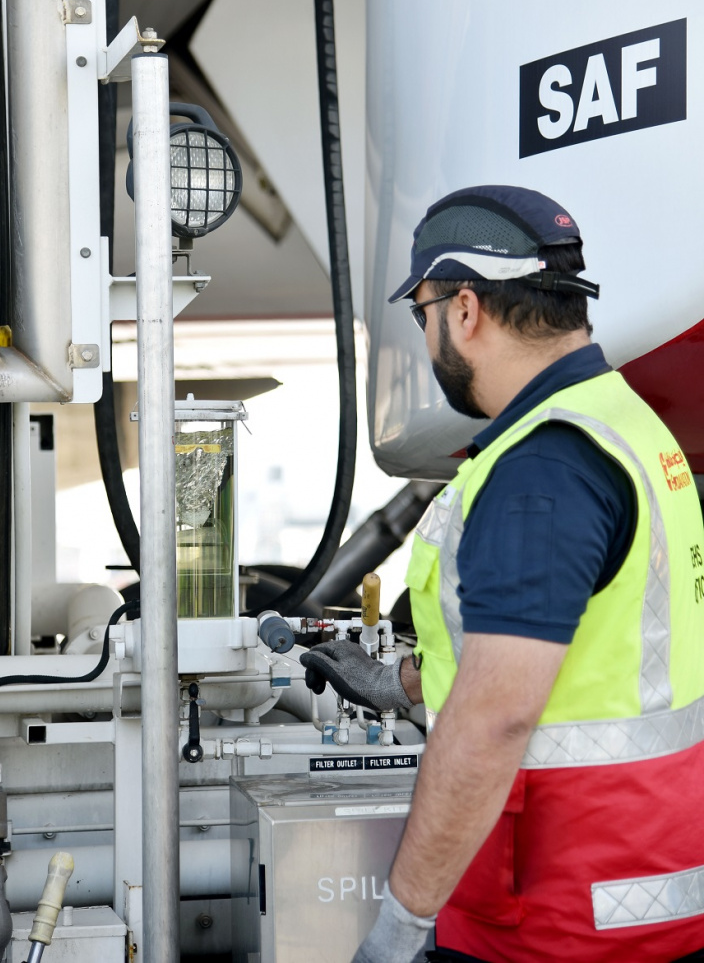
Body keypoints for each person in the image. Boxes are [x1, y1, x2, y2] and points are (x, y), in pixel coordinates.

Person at [301, 185, 704, 963]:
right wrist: (406, 682)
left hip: (554, 919)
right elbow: (600, 651)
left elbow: (496, 719)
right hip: (648, 889)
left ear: (465, 309)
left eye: (421, 311)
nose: (426, 337)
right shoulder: (625, 421)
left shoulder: (540, 473)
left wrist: (398, 928)